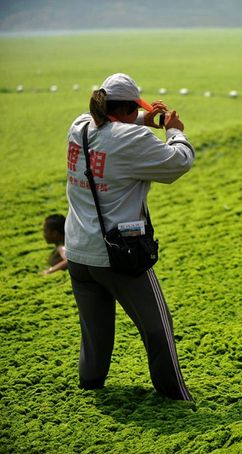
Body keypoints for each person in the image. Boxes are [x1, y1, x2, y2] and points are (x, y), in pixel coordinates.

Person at [64, 73, 194, 401]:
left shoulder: (78, 127)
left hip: (78, 252)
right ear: (127, 108)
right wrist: (174, 130)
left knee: (95, 333)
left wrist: (141, 119)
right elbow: (179, 163)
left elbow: (110, 126)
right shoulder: (132, 139)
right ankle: (175, 395)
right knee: (157, 329)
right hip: (119, 255)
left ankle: (90, 387)